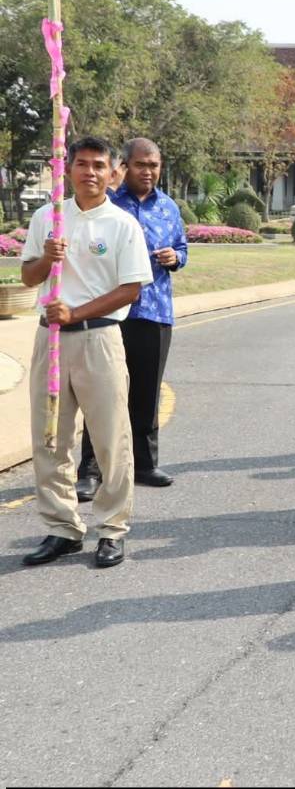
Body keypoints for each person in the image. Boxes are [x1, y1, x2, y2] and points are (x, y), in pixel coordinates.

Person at [20, 137, 153, 569]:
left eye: (99, 165)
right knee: (50, 438)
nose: (90, 172)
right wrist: (47, 257)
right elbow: (28, 277)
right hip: (51, 341)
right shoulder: (48, 217)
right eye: (82, 164)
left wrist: (75, 313)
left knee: (111, 439)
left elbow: (130, 289)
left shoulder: (121, 224)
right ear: (68, 168)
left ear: (112, 172)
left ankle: (111, 528)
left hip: (99, 340)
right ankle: (62, 527)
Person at [76, 138, 187, 499]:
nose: (148, 171)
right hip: (111, 312)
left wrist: (176, 258)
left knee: (147, 393)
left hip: (155, 311)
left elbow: (182, 247)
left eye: (154, 165)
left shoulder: (168, 207)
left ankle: (144, 464)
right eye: (141, 164)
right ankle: (90, 470)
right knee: (102, 393)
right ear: (124, 166)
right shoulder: (107, 204)